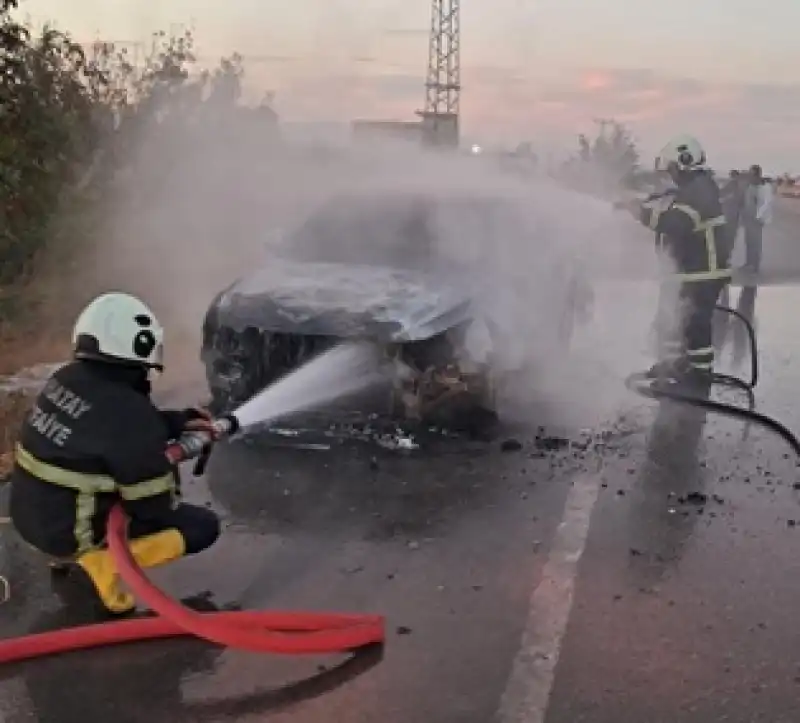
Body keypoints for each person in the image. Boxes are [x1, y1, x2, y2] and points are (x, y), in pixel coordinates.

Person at [8, 292, 222, 615]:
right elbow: (152, 506)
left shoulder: (65, 379)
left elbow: (102, 429)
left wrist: (175, 423)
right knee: (203, 527)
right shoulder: (131, 414)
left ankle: (69, 557)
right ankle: (103, 563)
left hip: (31, 519)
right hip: (71, 535)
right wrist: (164, 460)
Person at [619, 134, 733, 389]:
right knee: (675, 318)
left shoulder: (698, 191)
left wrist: (639, 212)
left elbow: (676, 224)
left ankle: (700, 373)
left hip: (702, 272)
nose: (671, 174)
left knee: (695, 322)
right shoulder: (693, 188)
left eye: (672, 168)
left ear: (684, 162)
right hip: (688, 271)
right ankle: (675, 363)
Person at [740, 163, 774, 274]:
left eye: (752, 174)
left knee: (756, 242)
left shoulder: (765, 187)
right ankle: (748, 262)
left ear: (757, 175)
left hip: (757, 219)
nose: (750, 176)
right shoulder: (750, 186)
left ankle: (755, 265)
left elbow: (766, 203)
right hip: (748, 218)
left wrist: (758, 216)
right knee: (748, 242)